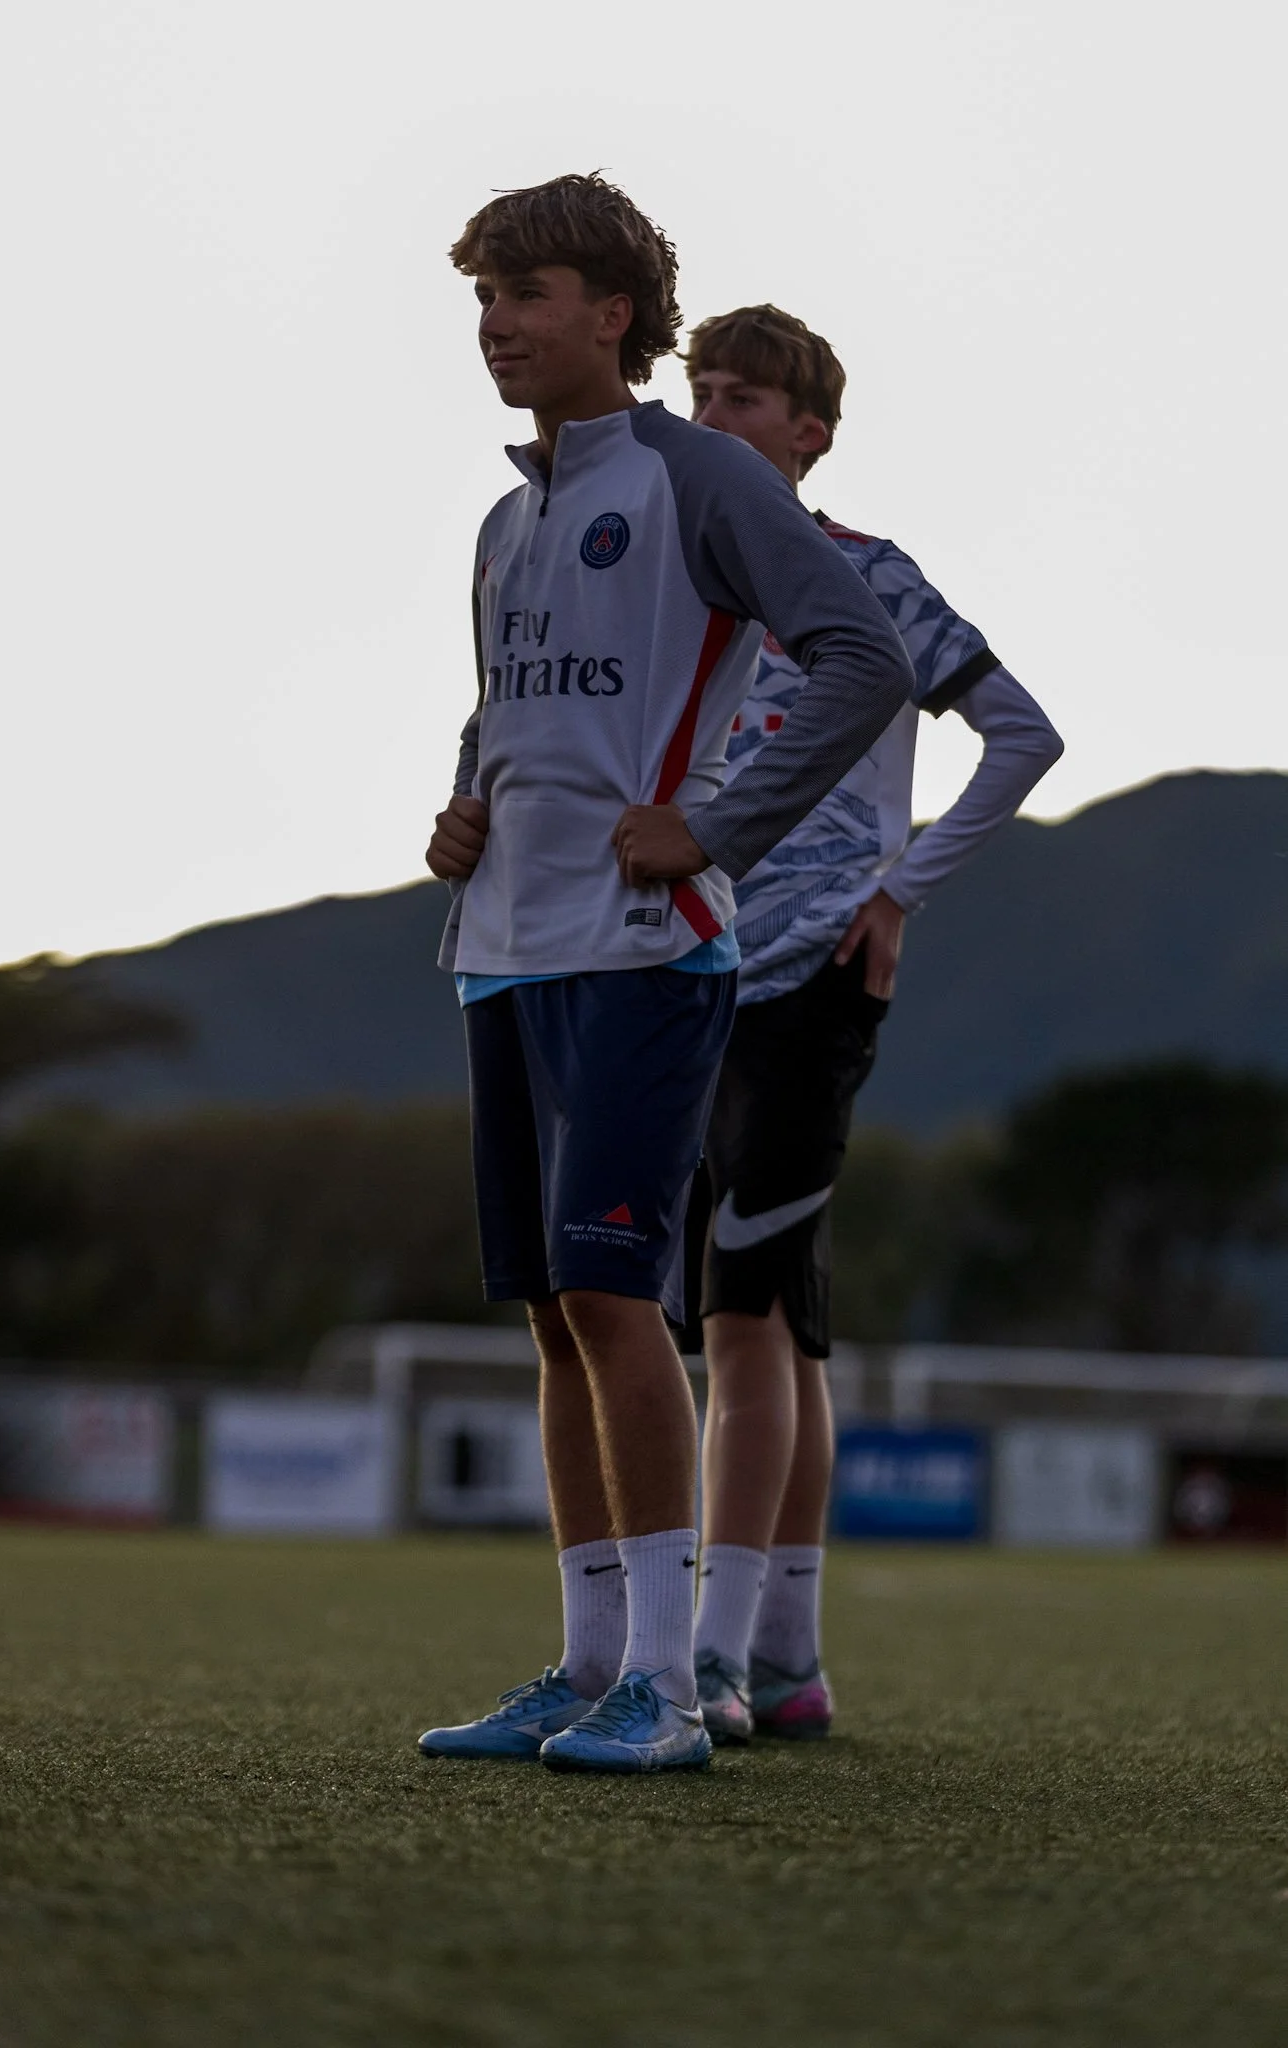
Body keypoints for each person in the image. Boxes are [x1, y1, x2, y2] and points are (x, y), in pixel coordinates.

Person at [416, 179, 914, 1774]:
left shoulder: (695, 474)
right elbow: (517, 707)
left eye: (533, 292)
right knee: (560, 1316)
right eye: (488, 296)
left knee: (621, 1299)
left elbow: (863, 658)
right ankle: (581, 1667)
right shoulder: (509, 514)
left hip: (645, 953)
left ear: (617, 312)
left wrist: (712, 829)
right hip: (503, 948)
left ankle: (669, 1688)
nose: (501, 322)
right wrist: (465, 804)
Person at [683, 304, 1064, 1744]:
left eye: (745, 398)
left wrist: (900, 890)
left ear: (809, 432)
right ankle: (787, 1662)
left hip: (810, 978)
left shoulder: (865, 577)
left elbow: (1024, 731)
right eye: (701, 392)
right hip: (682, 967)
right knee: (779, 1318)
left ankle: (712, 1656)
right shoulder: (683, 587)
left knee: (743, 1316)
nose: (714, 416)